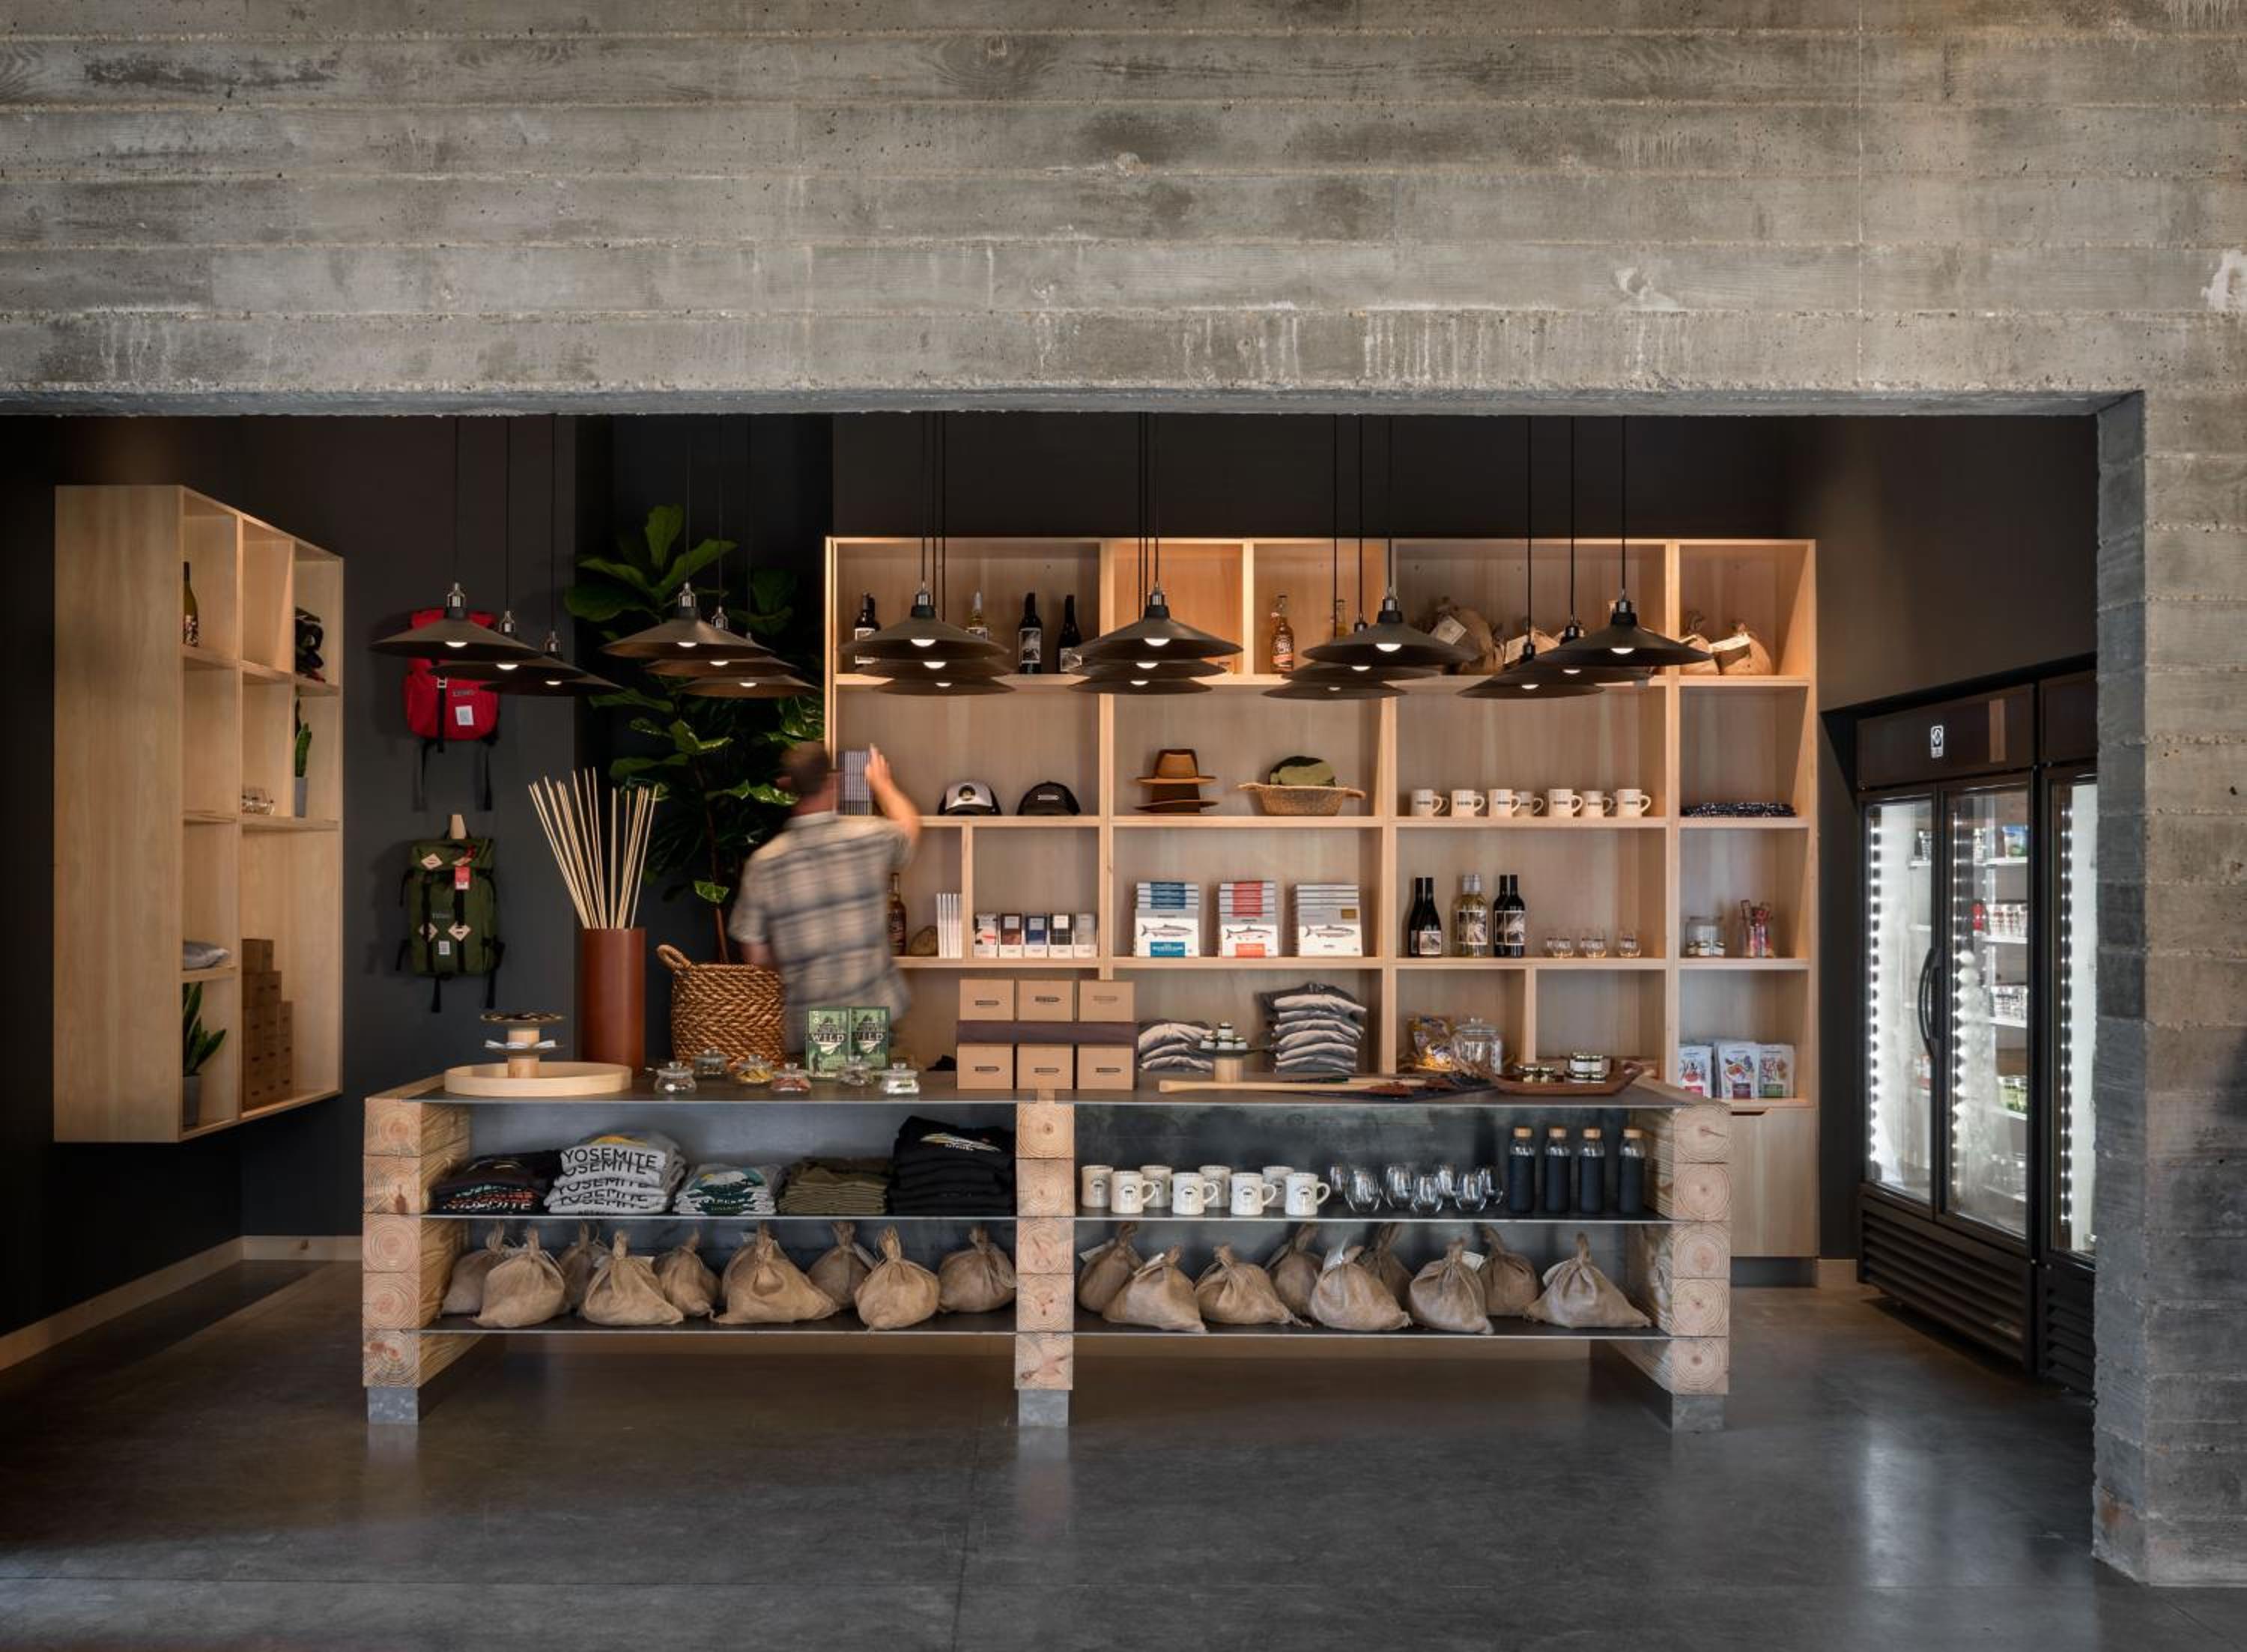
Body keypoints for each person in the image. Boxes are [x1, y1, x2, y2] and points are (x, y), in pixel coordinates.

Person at [729, 742, 921, 1055]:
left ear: (787, 786)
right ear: (834, 781)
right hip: (872, 1011)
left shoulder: (765, 864)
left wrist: (799, 959)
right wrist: (883, 785)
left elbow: (755, 954)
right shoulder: (870, 837)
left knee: (819, 1088)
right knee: (876, 1087)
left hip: (810, 1020)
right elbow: (910, 828)